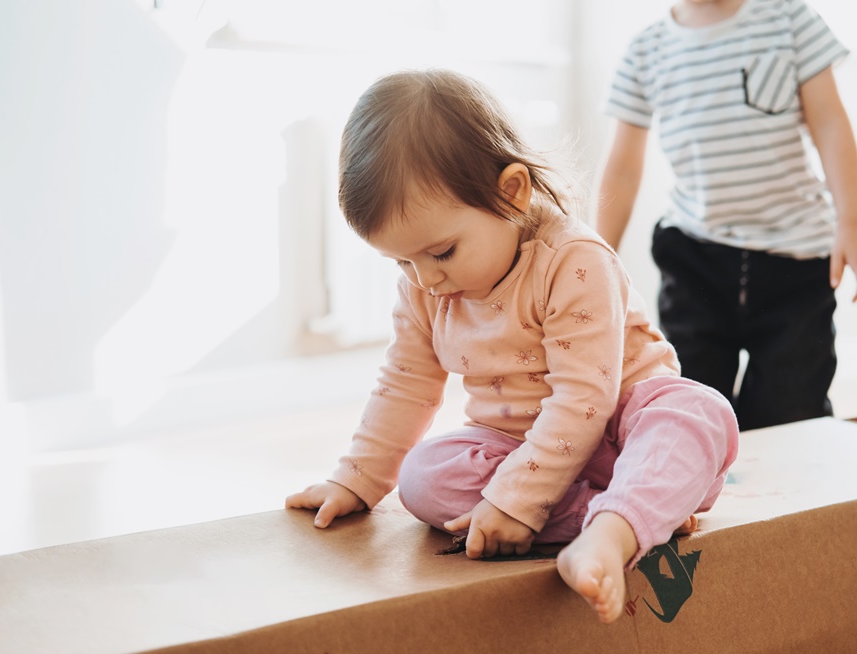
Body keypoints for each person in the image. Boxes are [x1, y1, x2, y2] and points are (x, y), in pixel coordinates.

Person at [285, 69, 739, 624]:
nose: (425, 278)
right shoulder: (424, 285)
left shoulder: (572, 260)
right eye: (403, 261)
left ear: (512, 193)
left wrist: (518, 503)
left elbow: (583, 398)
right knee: (423, 478)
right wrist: (355, 479)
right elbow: (405, 382)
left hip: (625, 430)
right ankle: (630, 509)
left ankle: (617, 529)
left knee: (698, 409)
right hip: (521, 447)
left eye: (442, 253)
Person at [596, 0, 857, 431]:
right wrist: (601, 254)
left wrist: (852, 225)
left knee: (790, 415)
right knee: (691, 409)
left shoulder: (789, 19)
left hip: (795, 263)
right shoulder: (646, 50)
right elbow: (622, 165)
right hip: (696, 258)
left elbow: (830, 122)